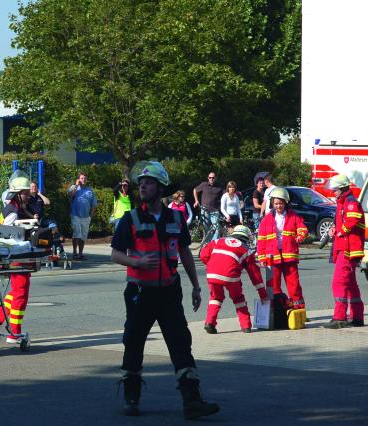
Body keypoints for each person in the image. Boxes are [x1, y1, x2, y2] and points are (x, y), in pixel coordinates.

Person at [111, 161, 219, 420]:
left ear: (160, 188)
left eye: (148, 183)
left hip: (169, 292)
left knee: (180, 343)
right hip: (140, 293)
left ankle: (192, 401)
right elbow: (115, 253)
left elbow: (185, 253)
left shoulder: (176, 218)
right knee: (134, 343)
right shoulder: (131, 218)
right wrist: (136, 262)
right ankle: (131, 397)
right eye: (141, 183)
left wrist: (196, 286)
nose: (142, 187)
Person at [0, 171, 34, 343]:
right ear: (17, 194)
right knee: (21, 294)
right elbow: (5, 234)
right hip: (15, 256)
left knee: (16, 291)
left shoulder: (12, 206)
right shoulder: (14, 211)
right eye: (25, 193)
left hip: (11, 255)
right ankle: (14, 333)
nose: (28, 196)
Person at [200, 225, 268, 333]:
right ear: (246, 237)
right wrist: (263, 295)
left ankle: (210, 323)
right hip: (231, 276)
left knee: (215, 298)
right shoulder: (246, 250)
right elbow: (255, 275)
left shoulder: (218, 241)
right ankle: (246, 326)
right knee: (238, 298)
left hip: (212, 274)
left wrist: (212, 265)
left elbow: (203, 255)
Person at [323, 174, 366, 329]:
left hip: (348, 249)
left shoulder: (350, 202)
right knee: (350, 284)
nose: (333, 193)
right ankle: (357, 317)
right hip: (345, 247)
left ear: (342, 189)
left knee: (339, 282)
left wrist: (340, 231)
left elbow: (353, 220)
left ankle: (339, 317)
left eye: (335, 190)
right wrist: (335, 229)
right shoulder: (343, 203)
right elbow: (344, 221)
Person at [257, 187, 308, 310]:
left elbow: (302, 228)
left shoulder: (293, 216)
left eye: (281, 203)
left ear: (285, 203)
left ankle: (299, 309)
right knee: (274, 286)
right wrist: (262, 257)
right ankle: (276, 310)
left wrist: (300, 236)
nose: (278, 206)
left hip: (289, 254)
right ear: (272, 203)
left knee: (294, 284)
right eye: (276, 203)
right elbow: (261, 239)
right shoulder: (267, 219)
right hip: (272, 256)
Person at [67, 172, 97, 260]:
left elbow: (93, 204)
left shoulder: (90, 190)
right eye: (81, 178)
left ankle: (80, 253)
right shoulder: (74, 187)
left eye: (85, 178)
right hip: (75, 215)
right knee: (76, 234)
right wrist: (76, 186)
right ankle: (74, 252)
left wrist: (90, 216)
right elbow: (70, 195)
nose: (83, 180)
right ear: (79, 179)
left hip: (86, 216)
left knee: (83, 236)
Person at [193, 171, 223, 240]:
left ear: (215, 178)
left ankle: (214, 242)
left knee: (217, 227)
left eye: (213, 177)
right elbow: (195, 190)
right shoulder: (204, 185)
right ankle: (207, 243)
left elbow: (225, 195)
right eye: (210, 177)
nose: (211, 179)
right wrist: (196, 201)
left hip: (215, 210)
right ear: (208, 178)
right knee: (206, 228)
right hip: (205, 210)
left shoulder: (219, 186)